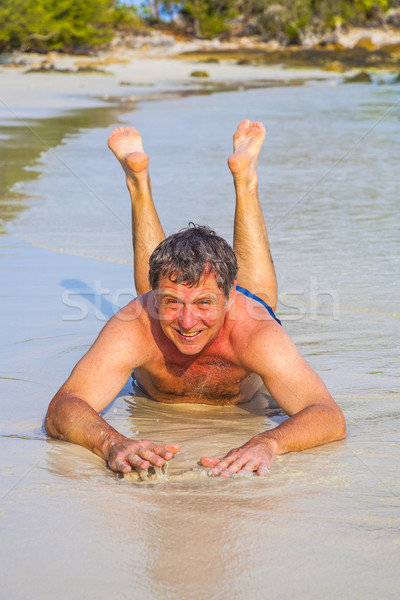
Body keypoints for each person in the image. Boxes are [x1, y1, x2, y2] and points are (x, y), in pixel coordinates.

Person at [45, 120, 346, 477]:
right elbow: (63, 408)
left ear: (230, 297)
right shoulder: (136, 324)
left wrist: (268, 442)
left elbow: (328, 416)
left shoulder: (254, 331)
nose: (187, 323)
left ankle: (245, 180)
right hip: (158, 302)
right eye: (172, 302)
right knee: (157, 287)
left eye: (204, 304)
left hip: (241, 311)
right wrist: (112, 442)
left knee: (262, 299)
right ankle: (137, 181)